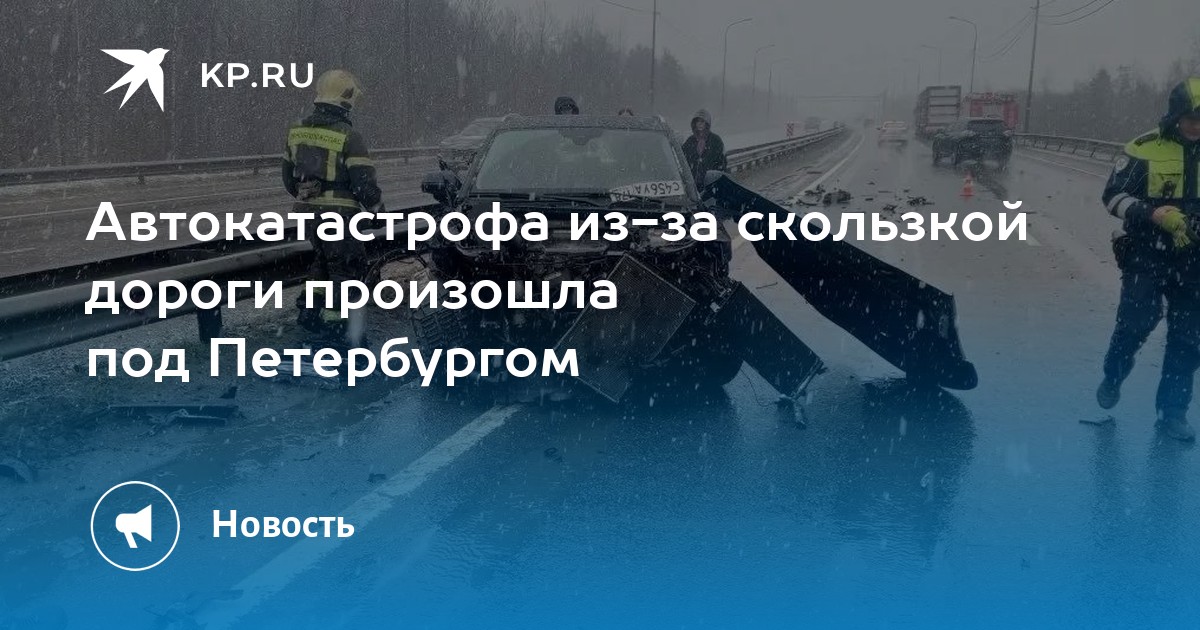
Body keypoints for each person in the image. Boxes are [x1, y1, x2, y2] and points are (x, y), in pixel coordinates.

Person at [1097, 78, 1200, 441]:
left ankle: (1172, 414)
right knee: (1136, 323)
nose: (1196, 127)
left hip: (1194, 261)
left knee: (1189, 340)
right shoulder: (1143, 149)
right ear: (1175, 116)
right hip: (1147, 254)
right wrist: (1152, 214)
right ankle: (1114, 373)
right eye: (1191, 119)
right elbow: (1113, 197)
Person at [282, 69, 382, 347]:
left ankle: (310, 313)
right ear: (346, 100)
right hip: (339, 217)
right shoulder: (349, 136)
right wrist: (377, 210)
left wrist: (309, 194)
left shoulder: (297, 131)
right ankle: (338, 329)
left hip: (309, 216)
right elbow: (364, 184)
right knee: (346, 269)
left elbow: (288, 179)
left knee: (323, 263)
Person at [681, 109, 727, 187]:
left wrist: (716, 178)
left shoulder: (716, 140)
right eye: (697, 121)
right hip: (692, 185)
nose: (699, 124)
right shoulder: (690, 141)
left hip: (711, 183)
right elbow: (682, 159)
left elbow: (722, 162)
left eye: (702, 121)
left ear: (707, 123)